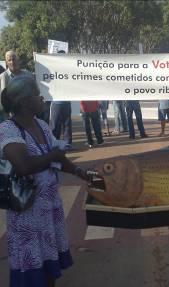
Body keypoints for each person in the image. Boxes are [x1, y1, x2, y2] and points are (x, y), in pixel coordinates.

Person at [0, 76, 90, 287]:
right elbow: (23, 165)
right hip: (27, 215)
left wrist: (80, 171)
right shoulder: (7, 130)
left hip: (49, 209)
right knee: (31, 270)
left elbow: (57, 160)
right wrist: (53, 156)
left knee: (49, 268)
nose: (42, 98)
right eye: (37, 94)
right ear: (24, 102)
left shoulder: (41, 125)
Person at [0, 50, 33, 122]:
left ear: (18, 60)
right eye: (9, 60)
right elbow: (2, 101)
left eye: (14, 59)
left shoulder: (27, 74)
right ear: (6, 63)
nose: (12, 62)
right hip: (10, 117)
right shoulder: (3, 77)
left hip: (27, 114)